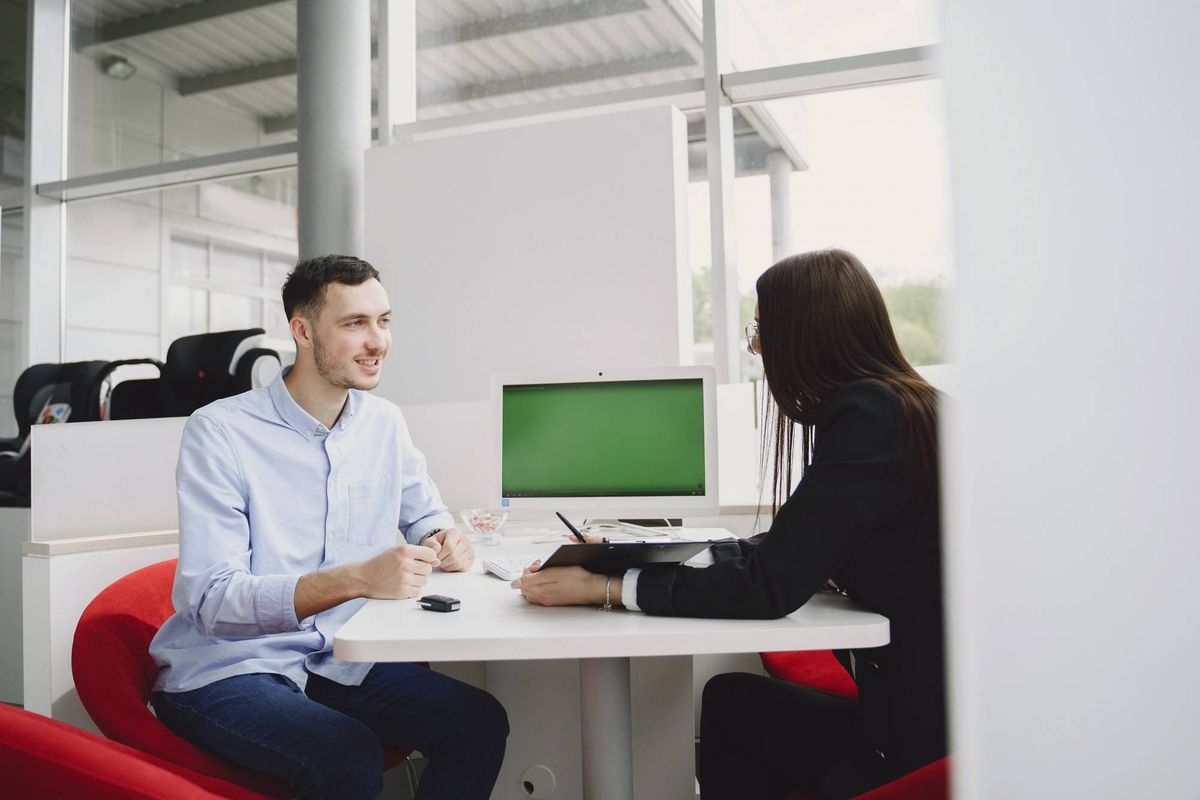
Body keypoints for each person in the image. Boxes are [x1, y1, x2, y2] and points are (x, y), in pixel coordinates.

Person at [513, 249, 945, 799]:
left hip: (916, 747)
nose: (758, 349)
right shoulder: (913, 407)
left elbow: (770, 585)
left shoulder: (870, 416)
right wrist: (637, 554)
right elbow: (803, 545)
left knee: (730, 706)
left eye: (762, 331)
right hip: (949, 718)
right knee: (731, 701)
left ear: (802, 335)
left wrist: (606, 587)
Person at [149, 255, 508, 800]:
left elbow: (424, 514)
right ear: (302, 330)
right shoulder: (220, 431)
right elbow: (212, 601)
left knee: (477, 720)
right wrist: (358, 579)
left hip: (331, 659)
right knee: (347, 754)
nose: (377, 341)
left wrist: (442, 538)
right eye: (354, 323)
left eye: (383, 321)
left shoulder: (383, 422)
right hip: (228, 668)